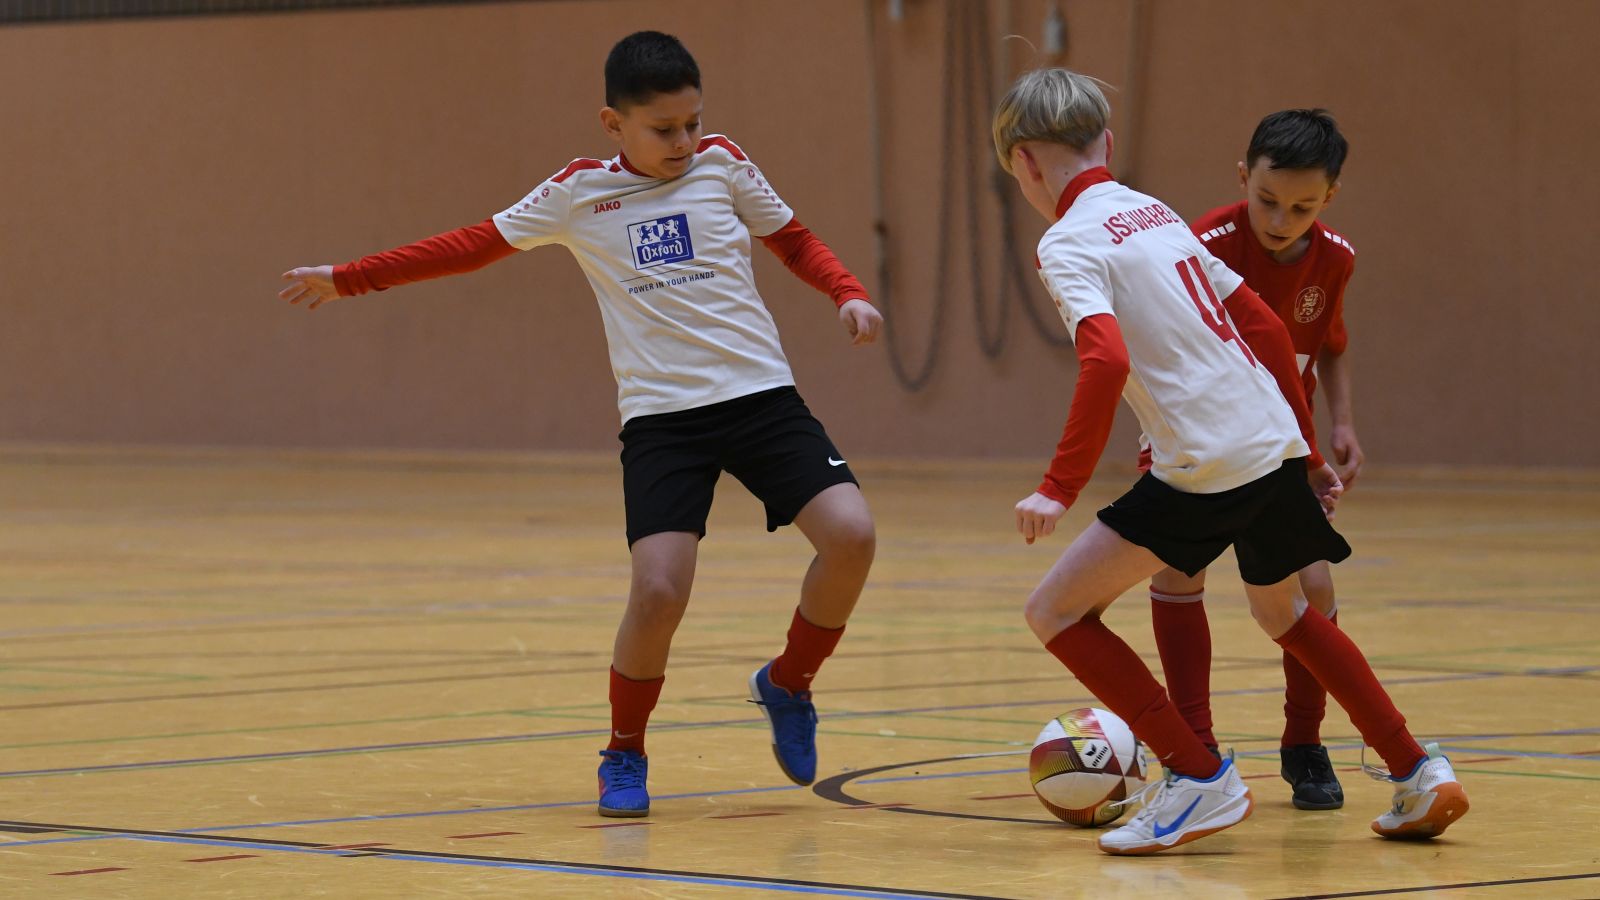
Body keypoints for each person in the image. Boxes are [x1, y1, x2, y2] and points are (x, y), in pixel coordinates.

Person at [278, 31, 881, 819]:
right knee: (658, 591)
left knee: (852, 536)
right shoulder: (578, 194)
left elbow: (792, 239)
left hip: (761, 400)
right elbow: (471, 247)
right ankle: (624, 752)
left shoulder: (725, 164)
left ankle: (788, 684)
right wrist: (352, 279)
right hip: (664, 421)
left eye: (693, 122)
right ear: (613, 123)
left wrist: (846, 291)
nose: (684, 141)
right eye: (663, 128)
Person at [993, 67, 1467, 855]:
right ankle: (1418, 768)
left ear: (1023, 163)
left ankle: (1197, 774)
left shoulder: (1066, 241)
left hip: (1204, 462)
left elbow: (1105, 359)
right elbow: (1268, 330)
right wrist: (1304, 450)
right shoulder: (1154, 212)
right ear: (1106, 141)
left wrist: (1057, 487)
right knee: (1286, 613)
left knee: (1055, 612)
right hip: (1269, 438)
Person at [1149, 108, 1363, 810]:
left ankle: (1303, 742)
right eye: (1267, 199)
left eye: (1302, 207)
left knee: (1314, 590)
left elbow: (1330, 343)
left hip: (1283, 446)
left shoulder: (1336, 258)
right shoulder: (1199, 244)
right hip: (1199, 438)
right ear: (1243, 176)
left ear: (1329, 197)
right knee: (1179, 571)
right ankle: (1196, 746)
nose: (1280, 219)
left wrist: (1342, 423)